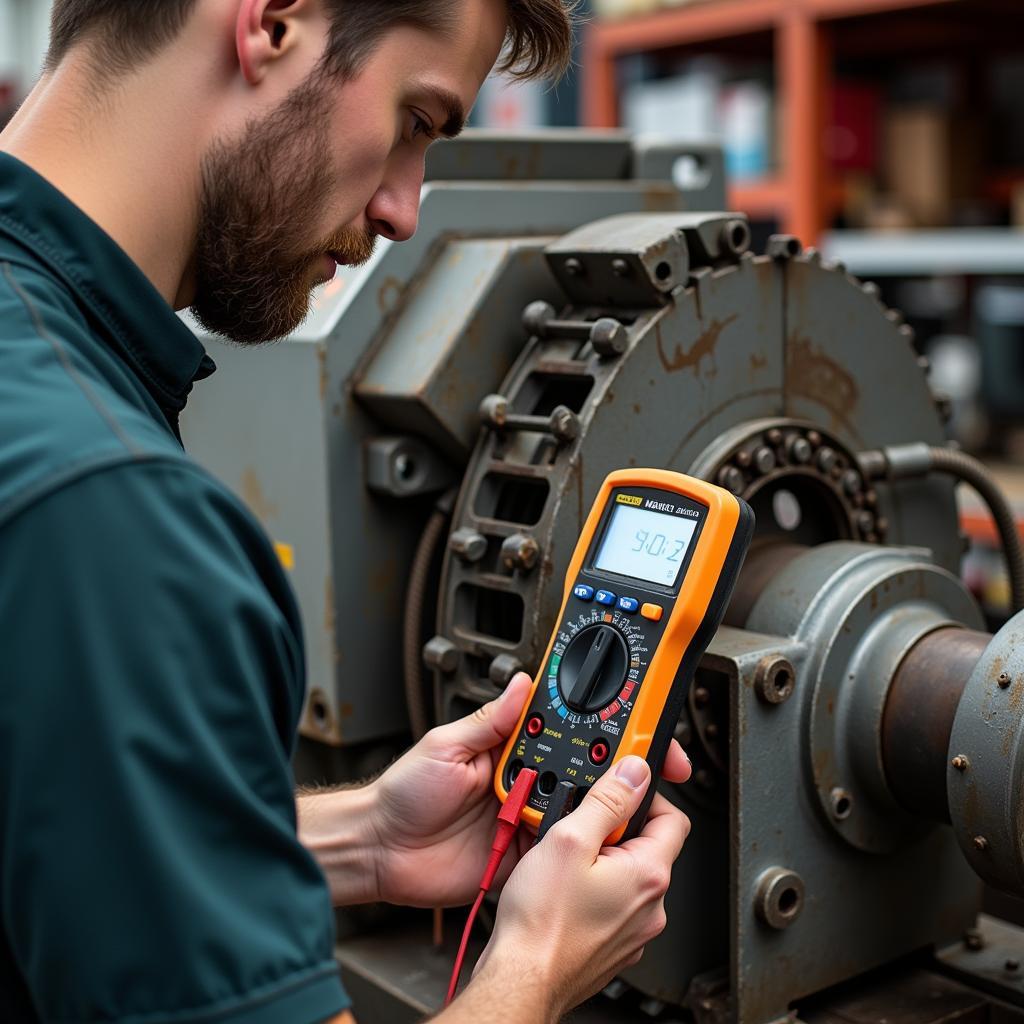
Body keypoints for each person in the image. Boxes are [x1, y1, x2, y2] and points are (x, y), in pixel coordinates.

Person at [0, 2, 693, 1022]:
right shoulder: (115, 518)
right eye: (416, 120)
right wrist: (536, 967)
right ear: (272, 20)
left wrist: (365, 836)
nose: (404, 210)